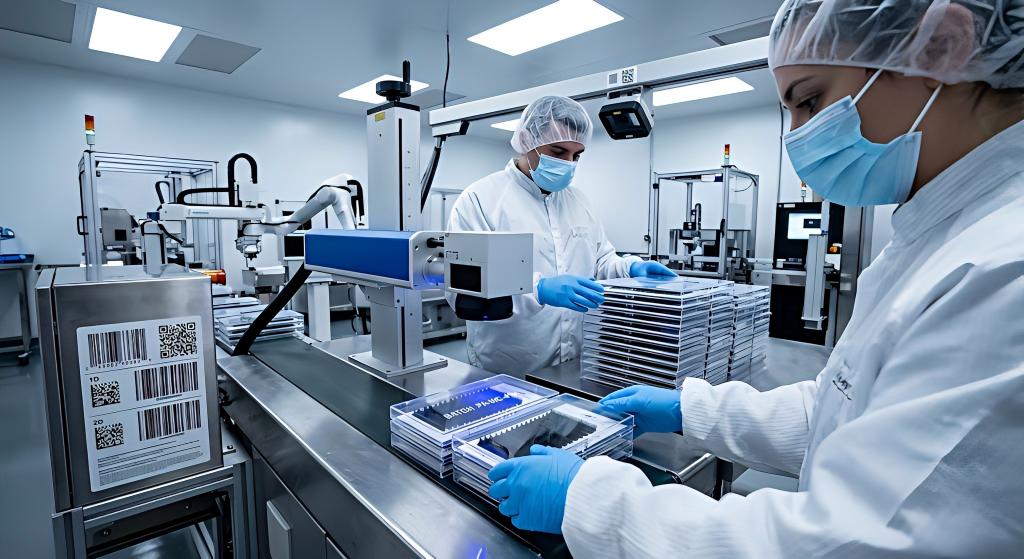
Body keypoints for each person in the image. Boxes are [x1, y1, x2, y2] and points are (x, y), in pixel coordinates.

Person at [487, 1, 1024, 556]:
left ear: (945, 46)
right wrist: (693, 410)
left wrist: (599, 505)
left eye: (809, 99)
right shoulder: (935, 240)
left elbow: (855, 540)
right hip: (512, 359)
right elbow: (842, 405)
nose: (796, 137)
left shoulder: (1001, 268)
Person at [446, 95, 675, 374]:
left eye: (576, 156)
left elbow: (601, 262)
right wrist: (538, 290)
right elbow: (465, 288)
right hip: (505, 367)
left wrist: (632, 267)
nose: (568, 164)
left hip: (572, 365)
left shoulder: (579, 202)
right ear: (526, 140)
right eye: (557, 152)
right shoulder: (480, 200)